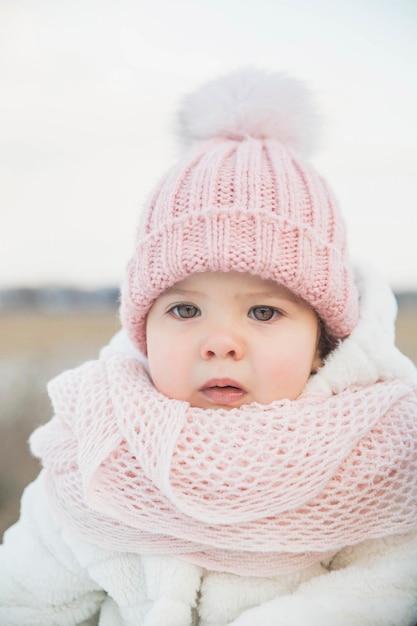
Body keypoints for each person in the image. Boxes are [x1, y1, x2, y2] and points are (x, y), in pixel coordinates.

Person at [1, 69, 417, 626]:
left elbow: (386, 590)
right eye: (185, 310)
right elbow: (23, 598)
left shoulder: (376, 453)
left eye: (264, 312)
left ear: (323, 339)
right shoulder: (101, 451)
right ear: (143, 330)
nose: (220, 343)